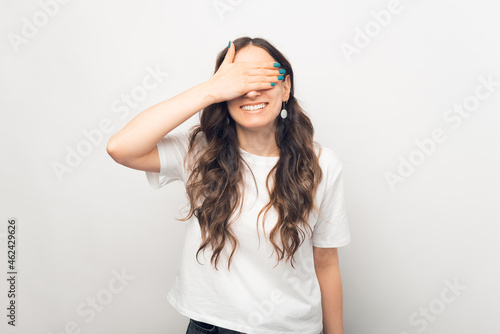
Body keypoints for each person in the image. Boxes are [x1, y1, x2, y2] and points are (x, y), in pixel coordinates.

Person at [106, 36, 351, 334]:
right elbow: (121, 147)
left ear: (285, 87)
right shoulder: (198, 151)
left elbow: (325, 261)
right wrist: (209, 90)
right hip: (210, 327)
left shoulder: (323, 164)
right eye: (238, 80)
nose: (251, 91)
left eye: (263, 78)